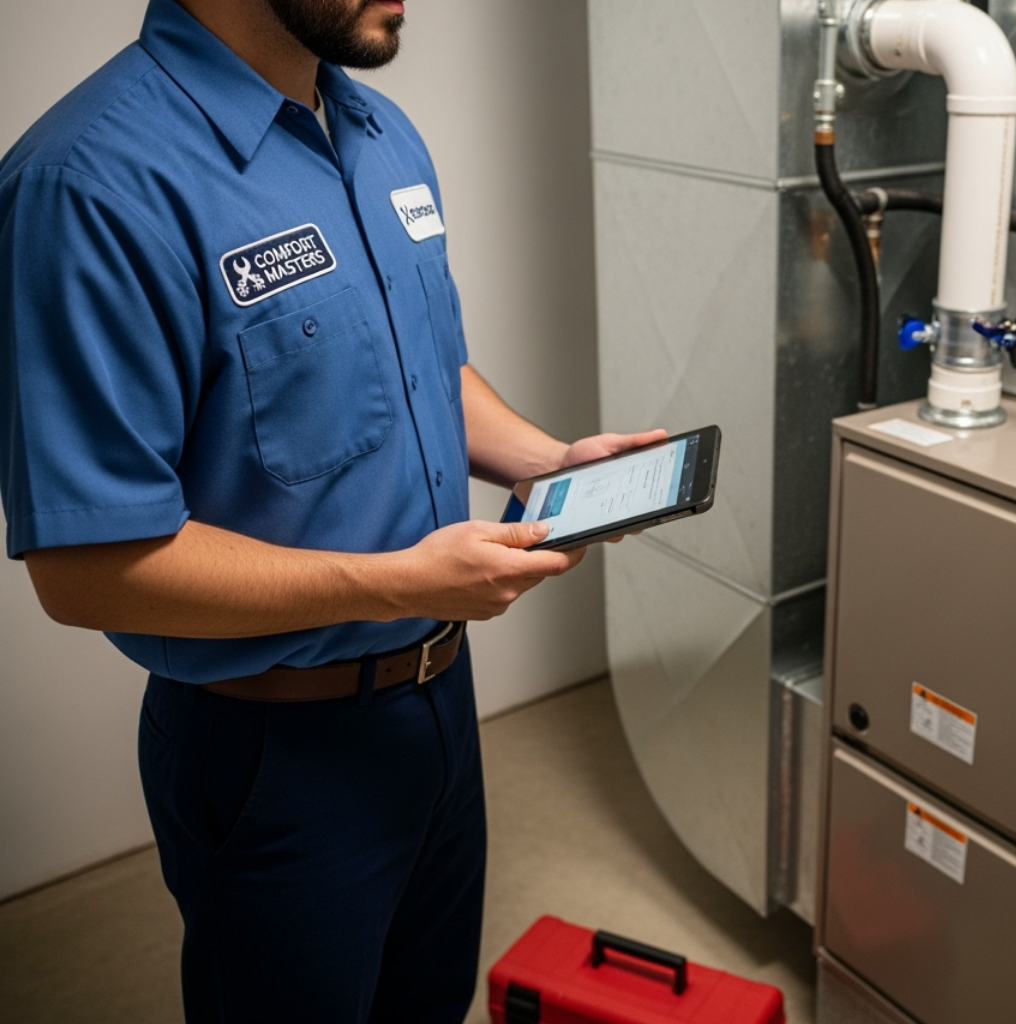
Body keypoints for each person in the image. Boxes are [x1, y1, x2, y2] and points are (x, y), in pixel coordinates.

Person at [0, 1, 663, 1021]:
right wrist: (402, 581)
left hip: (440, 709)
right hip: (275, 753)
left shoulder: (378, 132)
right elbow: (87, 567)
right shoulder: (87, 184)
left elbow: (417, 364)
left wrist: (549, 459)